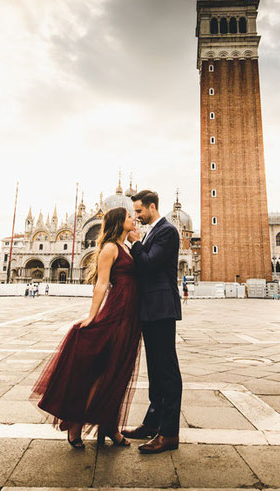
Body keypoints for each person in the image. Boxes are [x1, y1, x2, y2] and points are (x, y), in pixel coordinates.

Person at [32, 207, 142, 449]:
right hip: (116, 313)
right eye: (129, 217)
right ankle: (75, 424)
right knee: (98, 371)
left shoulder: (128, 247)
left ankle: (110, 427)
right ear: (118, 222)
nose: (134, 219)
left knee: (118, 373)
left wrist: (137, 241)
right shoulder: (110, 248)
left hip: (131, 316)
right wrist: (93, 317)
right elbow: (102, 284)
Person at [122, 190, 182, 454]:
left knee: (166, 371)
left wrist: (135, 243)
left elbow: (148, 263)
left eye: (139, 211)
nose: (136, 216)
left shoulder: (167, 231)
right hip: (150, 308)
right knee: (155, 370)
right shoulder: (153, 231)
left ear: (152, 207)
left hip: (161, 307)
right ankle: (152, 422)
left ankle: (168, 434)